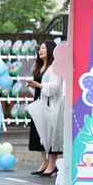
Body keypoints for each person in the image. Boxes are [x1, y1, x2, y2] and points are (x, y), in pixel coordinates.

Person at [27, 41, 63, 177]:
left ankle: (52, 164)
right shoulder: (38, 67)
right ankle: (44, 162)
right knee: (40, 133)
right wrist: (33, 86)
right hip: (39, 102)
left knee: (51, 134)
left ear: (50, 50)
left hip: (51, 105)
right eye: (39, 48)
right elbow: (37, 88)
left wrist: (39, 85)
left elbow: (56, 86)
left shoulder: (55, 67)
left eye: (43, 48)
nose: (40, 50)